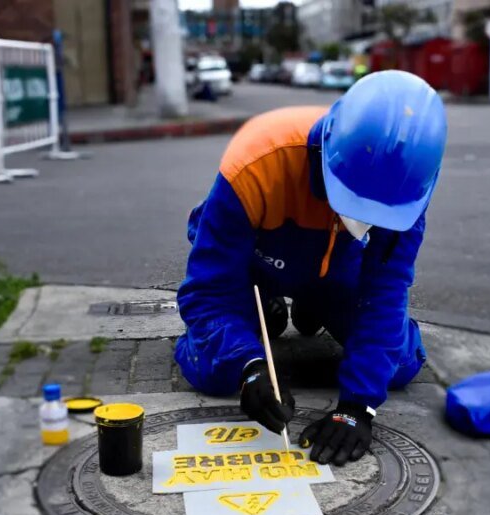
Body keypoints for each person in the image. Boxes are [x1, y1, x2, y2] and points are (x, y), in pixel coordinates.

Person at [174, 70, 447, 466]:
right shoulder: (256, 162)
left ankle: (313, 305)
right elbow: (208, 289)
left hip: (336, 269)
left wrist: (357, 407)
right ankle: (258, 312)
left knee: (400, 366)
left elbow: (385, 293)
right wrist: (248, 365)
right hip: (255, 264)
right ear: (326, 153)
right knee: (215, 372)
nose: (364, 217)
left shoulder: (406, 188)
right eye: (353, 202)